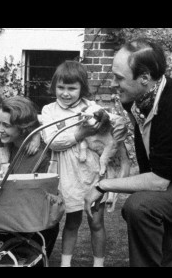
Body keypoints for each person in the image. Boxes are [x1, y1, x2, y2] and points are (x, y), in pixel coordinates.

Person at [84, 38, 172, 267]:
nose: (113, 84)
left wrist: (101, 185)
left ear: (144, 78)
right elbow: (150, 149)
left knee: (139, 206)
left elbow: (158, 182)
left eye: (119, 78)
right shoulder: (139, 101)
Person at [40, 60, 128, 267]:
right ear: (54, 86)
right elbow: (52, 141)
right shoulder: (49, 110)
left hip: (91, 171)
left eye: (72, 88)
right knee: (71, 222)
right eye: (61, 87)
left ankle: (98, 264)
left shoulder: (91, 107)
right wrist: (81, 133)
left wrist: (117, 122)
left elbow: (114, 121)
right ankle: (65, 263)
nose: (65, 93)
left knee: (96, 222)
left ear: (82, 88)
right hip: (67, 173)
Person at [0, 96, 60, 262]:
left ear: (23, 128)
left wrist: (35, 136)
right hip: (9, 215)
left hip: (24, 224)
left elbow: (27, 199)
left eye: (5, 125)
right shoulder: (7, 143)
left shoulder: (36, 155)